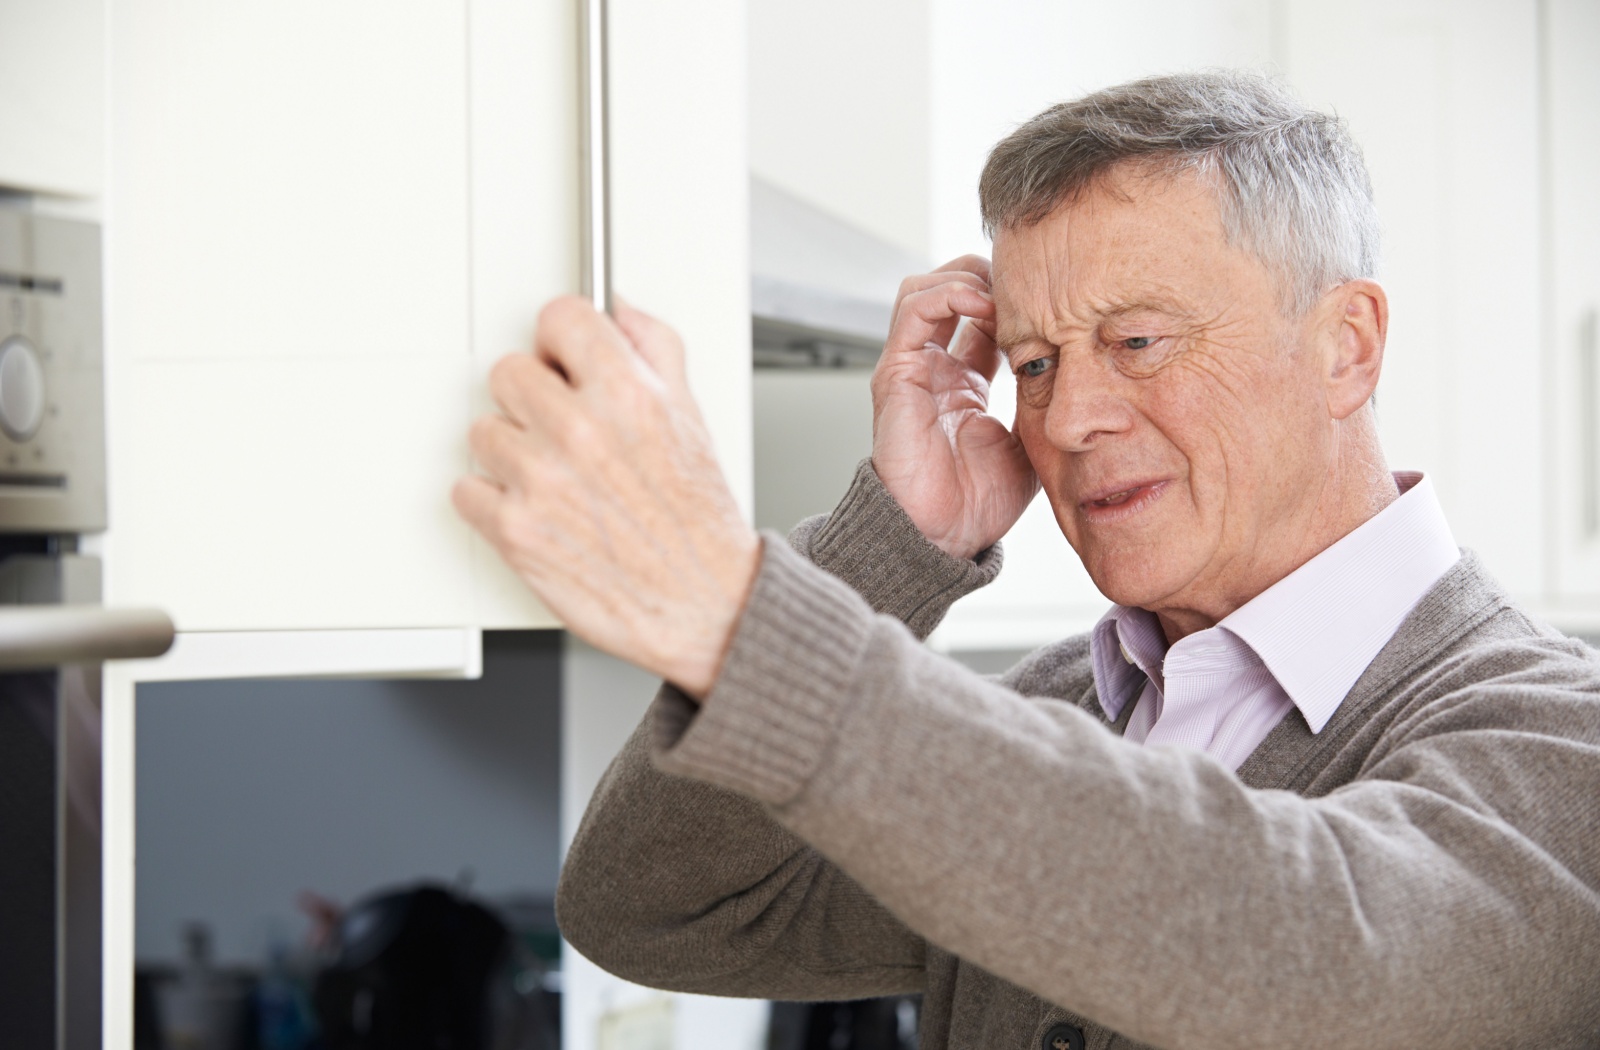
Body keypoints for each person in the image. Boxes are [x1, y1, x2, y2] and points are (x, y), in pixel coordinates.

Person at [452, 71, 1600, 1049]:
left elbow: (1307, 943)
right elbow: (651, 906)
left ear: (1345, 347)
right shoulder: (1068, 706)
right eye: (1037, 361)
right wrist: (888, 552)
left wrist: (735, 614)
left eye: (1137, 341)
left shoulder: (1556, 742)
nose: (1066, 419)